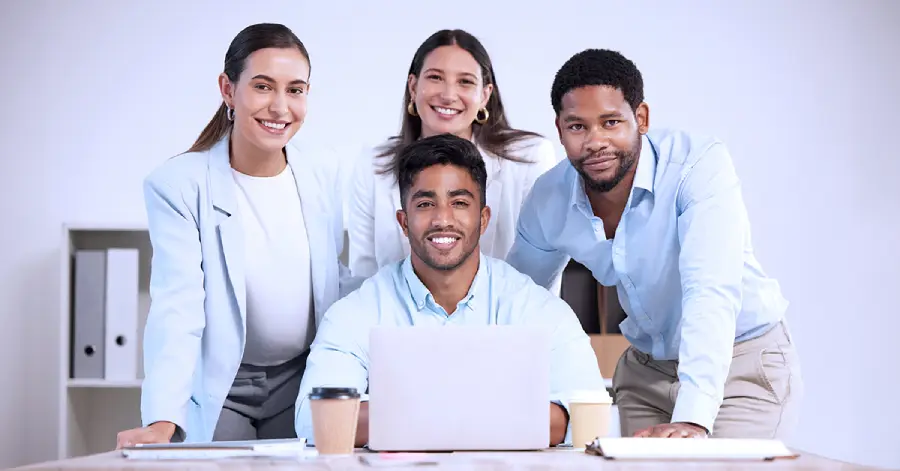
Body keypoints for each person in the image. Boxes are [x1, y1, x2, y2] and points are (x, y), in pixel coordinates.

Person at [506, 49, 803, 439]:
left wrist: (693, 417)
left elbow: (708, 290)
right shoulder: (549, 199)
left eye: (610, 122)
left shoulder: (697, 167)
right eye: (577, 127)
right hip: (646, 373)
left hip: (740, 363)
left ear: (641, 118)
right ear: (559, 130)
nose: (595, 142)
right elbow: (515, 300)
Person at [115, 23, 356, 448]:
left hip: (303, 379)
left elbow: (333, 277)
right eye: (263, 87)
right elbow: (178, 306)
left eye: (295, 90)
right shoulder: (178, 185)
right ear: (228, 89)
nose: (280, 106)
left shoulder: (323, 170)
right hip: (225, 385)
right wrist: (161, 421)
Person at [294, 134, 603, 447]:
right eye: (426, 204)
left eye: (459, 203)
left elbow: (587, 416)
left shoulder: (536, 307)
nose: (443, 219)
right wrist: (495, 413)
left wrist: (412, 412)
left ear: (483, 219)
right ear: (403, 221)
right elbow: (316, 420)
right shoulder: (356, 312)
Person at [347, 29, 559, 282]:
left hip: (504, 318)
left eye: (465, 81)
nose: (448, 95)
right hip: (396, 319)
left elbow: (539, 280)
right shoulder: (373, 165)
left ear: (485, 95)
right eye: (435, 77)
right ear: (413, 87)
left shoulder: (531, 158)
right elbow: (362, 278)